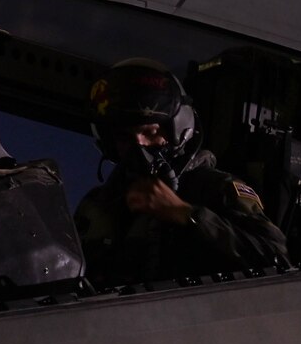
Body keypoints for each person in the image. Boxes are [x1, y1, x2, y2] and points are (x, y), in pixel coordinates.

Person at [74, 57, 287, 286]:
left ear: (177, 130)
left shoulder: (216, 188)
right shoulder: (98, 204)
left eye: (151, 131)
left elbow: (276, 260)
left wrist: (186, 214)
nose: (140, 146)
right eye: (124, 138)